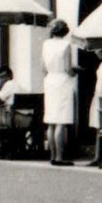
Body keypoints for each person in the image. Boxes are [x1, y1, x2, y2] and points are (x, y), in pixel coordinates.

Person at [41, 19, 77, 166]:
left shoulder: (46, 44)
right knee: (61, 120)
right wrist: (74, 72)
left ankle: (52, 154)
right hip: (62, 80)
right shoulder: (66, 45)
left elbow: (43, 67)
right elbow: (68, 68)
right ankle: (60, 157)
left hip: (50, 80)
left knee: (51, 121)